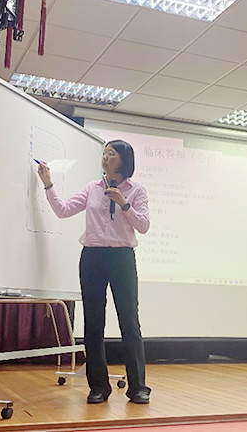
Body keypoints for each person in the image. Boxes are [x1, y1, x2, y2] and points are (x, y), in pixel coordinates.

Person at [37, 140, 151, 405]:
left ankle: (138, 387)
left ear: (124, 160)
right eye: (104, 152)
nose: (105, 156)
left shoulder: (136, 190)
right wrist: (48, 184)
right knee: (93, 322)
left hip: (122, 257)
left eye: (112, 153)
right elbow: (63, 210)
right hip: (92, 257)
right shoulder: (92, 188)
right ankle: (98, 386)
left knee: (129, 321)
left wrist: (124, 204)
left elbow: (144, 225)